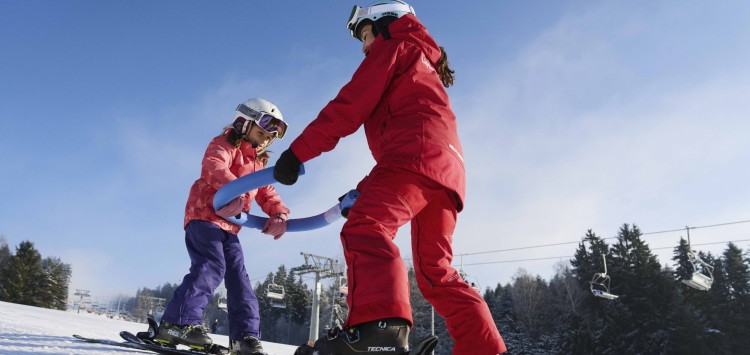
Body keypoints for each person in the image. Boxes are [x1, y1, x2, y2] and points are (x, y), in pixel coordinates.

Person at [274, 1, 507, 354]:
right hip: (445, 173)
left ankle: (379, 331)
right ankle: (483, 347)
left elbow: (349, 106)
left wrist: (296, 154)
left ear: (386, 24)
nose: (365, 46)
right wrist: (363, 191)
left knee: (365, 229)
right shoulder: (423, 60)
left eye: (366, 35)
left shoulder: (394, 47)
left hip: (414, 159)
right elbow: (411, 139)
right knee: (435, 271)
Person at [156, 98, 291, 355]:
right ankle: (177, 324)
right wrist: (233, 192)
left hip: (230, 227)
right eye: (261, 131)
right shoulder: (224, 145)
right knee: (211, 266)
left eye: (269, 137)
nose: (264, 139)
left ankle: (245, 338)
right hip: (205, 217)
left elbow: (266, 192)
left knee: (239, 280)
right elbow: (213, 167)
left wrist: (279, 213)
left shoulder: (257, 163)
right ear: (244, 122)